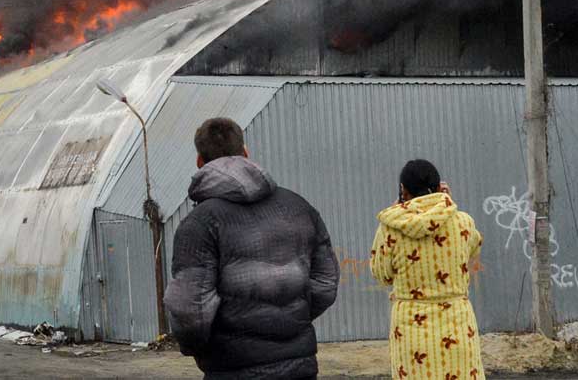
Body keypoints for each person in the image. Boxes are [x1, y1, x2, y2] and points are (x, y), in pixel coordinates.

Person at [165, 117, 339, 380]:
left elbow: (190, 309)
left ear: (200, 161)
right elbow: (326, 284)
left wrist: (198, 348)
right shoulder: (299, 207)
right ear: (245, 152)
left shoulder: (200, 223)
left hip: (232, 368)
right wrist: (291, 321)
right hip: (300, 366)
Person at [370, 159, 484, 380]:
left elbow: (381, 274)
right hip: (457, 325)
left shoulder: (391, 229)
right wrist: (448, 205)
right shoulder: (463, 222)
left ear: (403, 190)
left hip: (411, 332)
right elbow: (473, 248)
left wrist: (397, 211)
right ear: (440, 187)